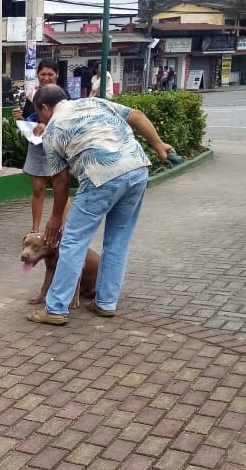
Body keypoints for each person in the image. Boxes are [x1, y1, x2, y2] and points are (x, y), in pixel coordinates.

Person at [26, 83, 175, 326]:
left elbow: (61, 180)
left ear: (44, 108)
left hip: (101, 175)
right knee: (118, 240)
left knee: (73, 241)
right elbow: (136, 115)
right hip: (137, 169)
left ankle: (56, 308)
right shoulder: (93, 102)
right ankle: (106, 303)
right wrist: (158, 145)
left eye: (39, 113)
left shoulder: (52, 130)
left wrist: (55, 217)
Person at [12, 59, 67, 233]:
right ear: (37, 75)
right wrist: (21, 119)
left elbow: (66, 120)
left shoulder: (63, 96)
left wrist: (47, 124)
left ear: (57, 74)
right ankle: (35, 230)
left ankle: (62, 229)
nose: (46, 77)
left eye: (50, 74)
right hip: (36, 146)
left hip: (57, 147)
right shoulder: (33, 96)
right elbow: (30, 121)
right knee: (37, 189)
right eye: (43, 74)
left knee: (61, 189)